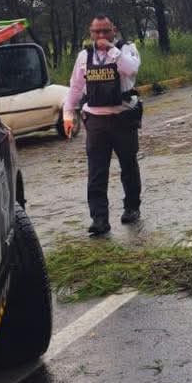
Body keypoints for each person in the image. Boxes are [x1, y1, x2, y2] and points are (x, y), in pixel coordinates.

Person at [62, 15, 142, 236]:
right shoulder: (84, 57)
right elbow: (76, 87)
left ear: (113, 30)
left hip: (123, 118)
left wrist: (111, 50)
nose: (101, 36)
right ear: (90, 33)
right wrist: (68, 113)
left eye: (105, 31)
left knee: (128, 165)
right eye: (97, 32)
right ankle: (99, 219)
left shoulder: (126, 50)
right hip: (96, 121)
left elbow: (131, 70)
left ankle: (131, 208)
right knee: (96, 171)